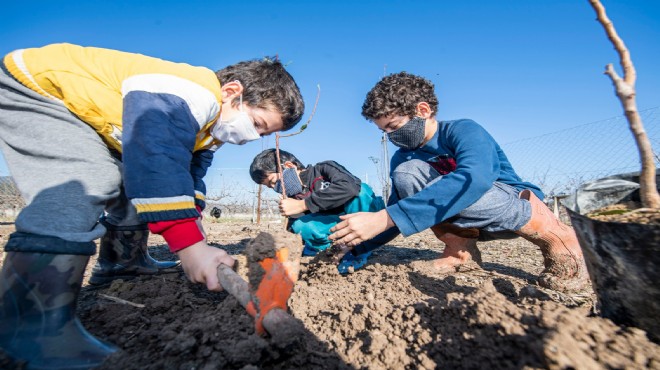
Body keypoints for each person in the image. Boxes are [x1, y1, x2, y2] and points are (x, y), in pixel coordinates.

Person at [0, 43, 304, 368]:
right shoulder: (189, 93)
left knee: (132, 179)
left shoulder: (208, 133)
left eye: (263, 133)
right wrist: (190, 247)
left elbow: (188, 177)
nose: (254, 137)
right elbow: (156, 163)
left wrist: (195, 225)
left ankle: (123, 262)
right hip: (37, 88)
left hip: (90, 119)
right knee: (90, 178)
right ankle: (25, 326)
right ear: (231, 92)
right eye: (257, 124)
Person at [329, 72, 589, 293]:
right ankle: (460, 249)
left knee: (450, 181)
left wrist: (384, 217)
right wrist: (357, 246)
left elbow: (475, 178)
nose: (390, 136)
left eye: (394, 126)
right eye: (383, 131)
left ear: (422, 110)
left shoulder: (462, 130)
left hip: (510, 208)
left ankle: (559, 239)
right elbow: (399, 208)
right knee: (407, 174)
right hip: (468, 223)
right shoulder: (403, 158)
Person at [249, 149, 384, 273]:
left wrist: (304, 204)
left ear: (289, 166)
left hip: (363, 219)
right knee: (300, 225)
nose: (274, 188)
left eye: (273, 181)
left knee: (361, 192)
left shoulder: (323, 169)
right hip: (335, 229)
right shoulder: (292, 198)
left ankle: (359, 248)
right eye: (269, 186)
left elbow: (349, 187)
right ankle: (329, 250)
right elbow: (296, 229)